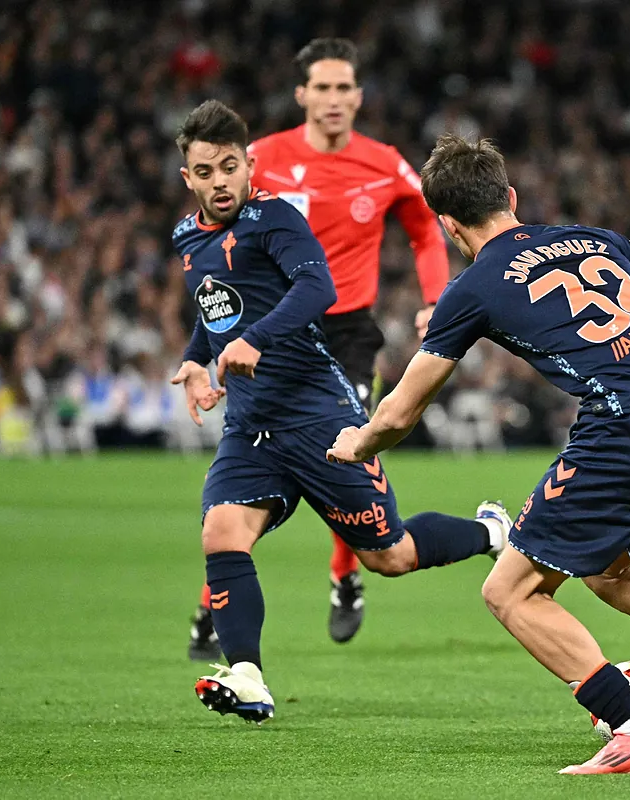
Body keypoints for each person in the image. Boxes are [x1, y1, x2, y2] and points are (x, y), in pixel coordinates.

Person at [326, 134, 630, 774]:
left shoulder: (474, 286)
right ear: (510, 197)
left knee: (510, 591)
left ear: (450, 227)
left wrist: (355, 442)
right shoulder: (593, 239)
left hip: (625, 427)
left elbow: (399, 412)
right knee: (612, 572)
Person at [170, 101, 508, 723]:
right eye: (204, 171)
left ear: (248, 164)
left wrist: (257, 339)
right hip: (250, 426)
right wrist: (196, 359)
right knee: (222, 532)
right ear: (186, 176)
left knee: (391, 556)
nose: (219, 182)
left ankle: (491, 532)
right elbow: (212, 306)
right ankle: (247, 675)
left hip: (318, 417)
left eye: (228, 167)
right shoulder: (188, 239)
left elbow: (317, 289)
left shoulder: (274, 219)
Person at [187, 38, 451, 658]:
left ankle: (344, 574)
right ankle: (216, 600)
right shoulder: (258, 157)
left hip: (346, 333)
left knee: (346, 450)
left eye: (344, 88)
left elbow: (424, 226)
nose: (334, 100)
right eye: (322, 88)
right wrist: (203, 344)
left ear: (358, 96)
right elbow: (211, 250)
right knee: (247, 467)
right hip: (267, 335)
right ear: (302, 93)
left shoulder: (384, 163)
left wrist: (437, 296)